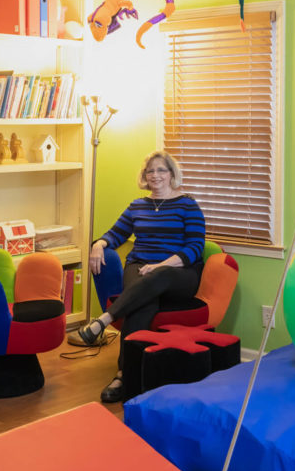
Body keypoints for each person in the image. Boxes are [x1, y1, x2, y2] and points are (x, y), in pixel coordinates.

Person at [78, 150, 206, 402]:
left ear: (171, 174)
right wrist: (98, 245)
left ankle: (104, 321)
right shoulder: (137, 206)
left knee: (159, 277)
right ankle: (125, 373)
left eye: (161, 170)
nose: (155, 175)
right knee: (143, 303)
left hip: (178, 273)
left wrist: (160, 265)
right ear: (144, 176)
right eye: (150, 171)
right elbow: (116, 234)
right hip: (139, 266)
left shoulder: (188, 205)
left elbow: (195, 247)